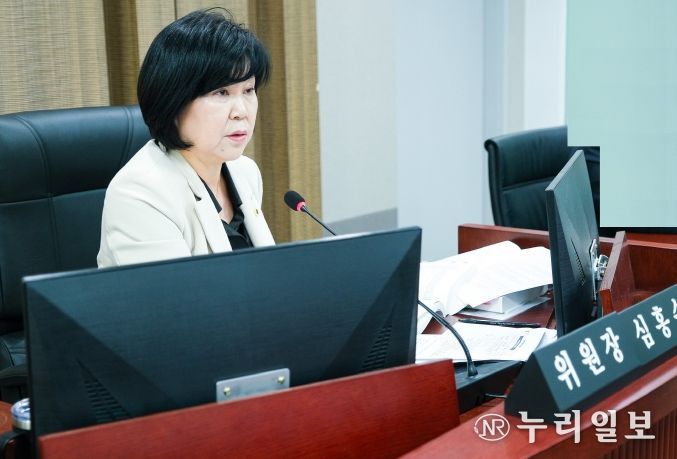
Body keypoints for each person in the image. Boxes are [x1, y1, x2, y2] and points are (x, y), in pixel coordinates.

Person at [98, 9, 275, 268]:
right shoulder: (139, 194)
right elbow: (175, 294)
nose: (241, 112)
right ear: (173, 101)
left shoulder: (245, 172)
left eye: (248, 90)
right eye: (221, 93)